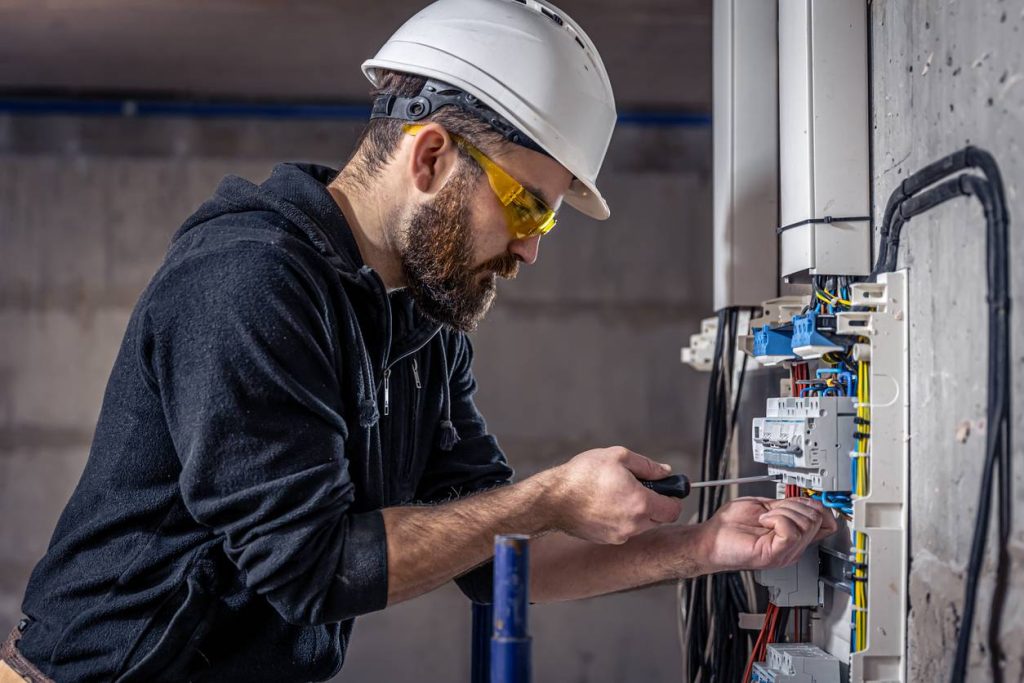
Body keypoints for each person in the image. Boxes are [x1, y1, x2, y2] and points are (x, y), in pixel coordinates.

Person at [1, 1, 836, 681]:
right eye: (526, 206)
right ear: (431, 154)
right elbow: (313, 568)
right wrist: (547, 495)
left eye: (546, 218)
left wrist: (703, 547)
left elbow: (495, 559)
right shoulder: (248, 282)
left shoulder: (425, 332)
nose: (532, 247)